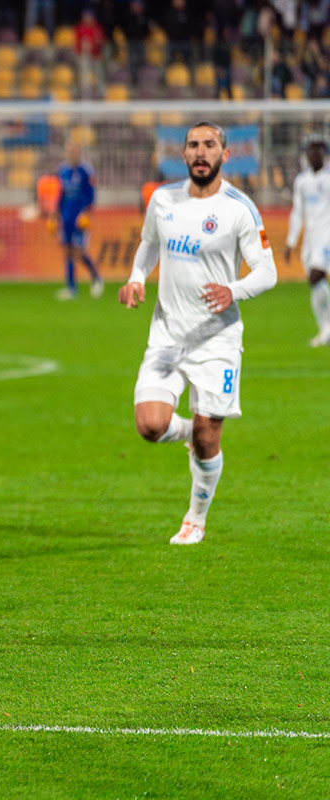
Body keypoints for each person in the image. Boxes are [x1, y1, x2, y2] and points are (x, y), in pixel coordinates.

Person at [117, 120, 277, 546]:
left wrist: (233, 290)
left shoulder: (239, 208)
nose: (200, 152)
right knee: (150, 425)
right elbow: (149, 243)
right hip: (167, 335)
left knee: (210, 438)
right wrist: (137, 278)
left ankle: (195, 519)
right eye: (193, 145)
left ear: (225, 154)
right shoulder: (163, 199)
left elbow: (268, 271)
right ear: (183, 153)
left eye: (209, 145)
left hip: (216, 340)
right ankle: (191, 433)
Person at [284, 133, 330, 346]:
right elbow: (297, 212)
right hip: (311, 238)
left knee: (315, 276)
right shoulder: (302, 181)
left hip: (327, 235)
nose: (313, 154)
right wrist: (291, 242)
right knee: (314, 283)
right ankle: (324, 328)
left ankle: (327, 328)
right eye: (310, 150)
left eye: (317, 149)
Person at [55, 140, 103, 300]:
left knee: (79, 251)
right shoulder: (63, 171)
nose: (71, 153)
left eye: (74, 150)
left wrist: (86, 213)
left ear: (79, 152)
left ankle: (96, 277)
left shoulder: (85, 171)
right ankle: (71, 288)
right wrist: (57, 214)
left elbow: (91, 195)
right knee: (68, 251)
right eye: (68, 150)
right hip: (66, 217)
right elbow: (61, 195)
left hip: (80, 218)